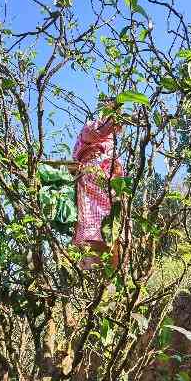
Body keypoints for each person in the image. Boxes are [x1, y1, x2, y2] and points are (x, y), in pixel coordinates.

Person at [71, 98, 124, 269]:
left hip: (107, 178)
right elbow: (96, 131)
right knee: (94, 224)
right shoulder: (91, 127)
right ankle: (93, 263)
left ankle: (114, 273)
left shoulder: (110, 140)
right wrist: (112, 117)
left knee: (113, 225)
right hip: (92, 176)